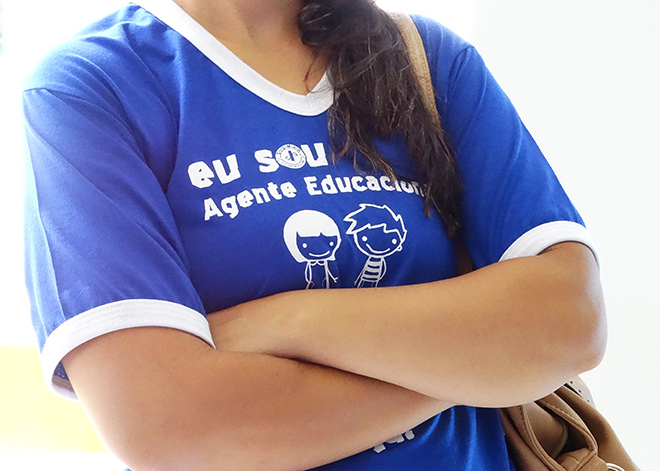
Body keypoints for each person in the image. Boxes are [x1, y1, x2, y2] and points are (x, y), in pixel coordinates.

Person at [22, 0, 606, 469]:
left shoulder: (426, 59)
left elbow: (570, 320)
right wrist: (483, 363)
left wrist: (281, 321)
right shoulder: (90, 87)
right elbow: (167, 426)